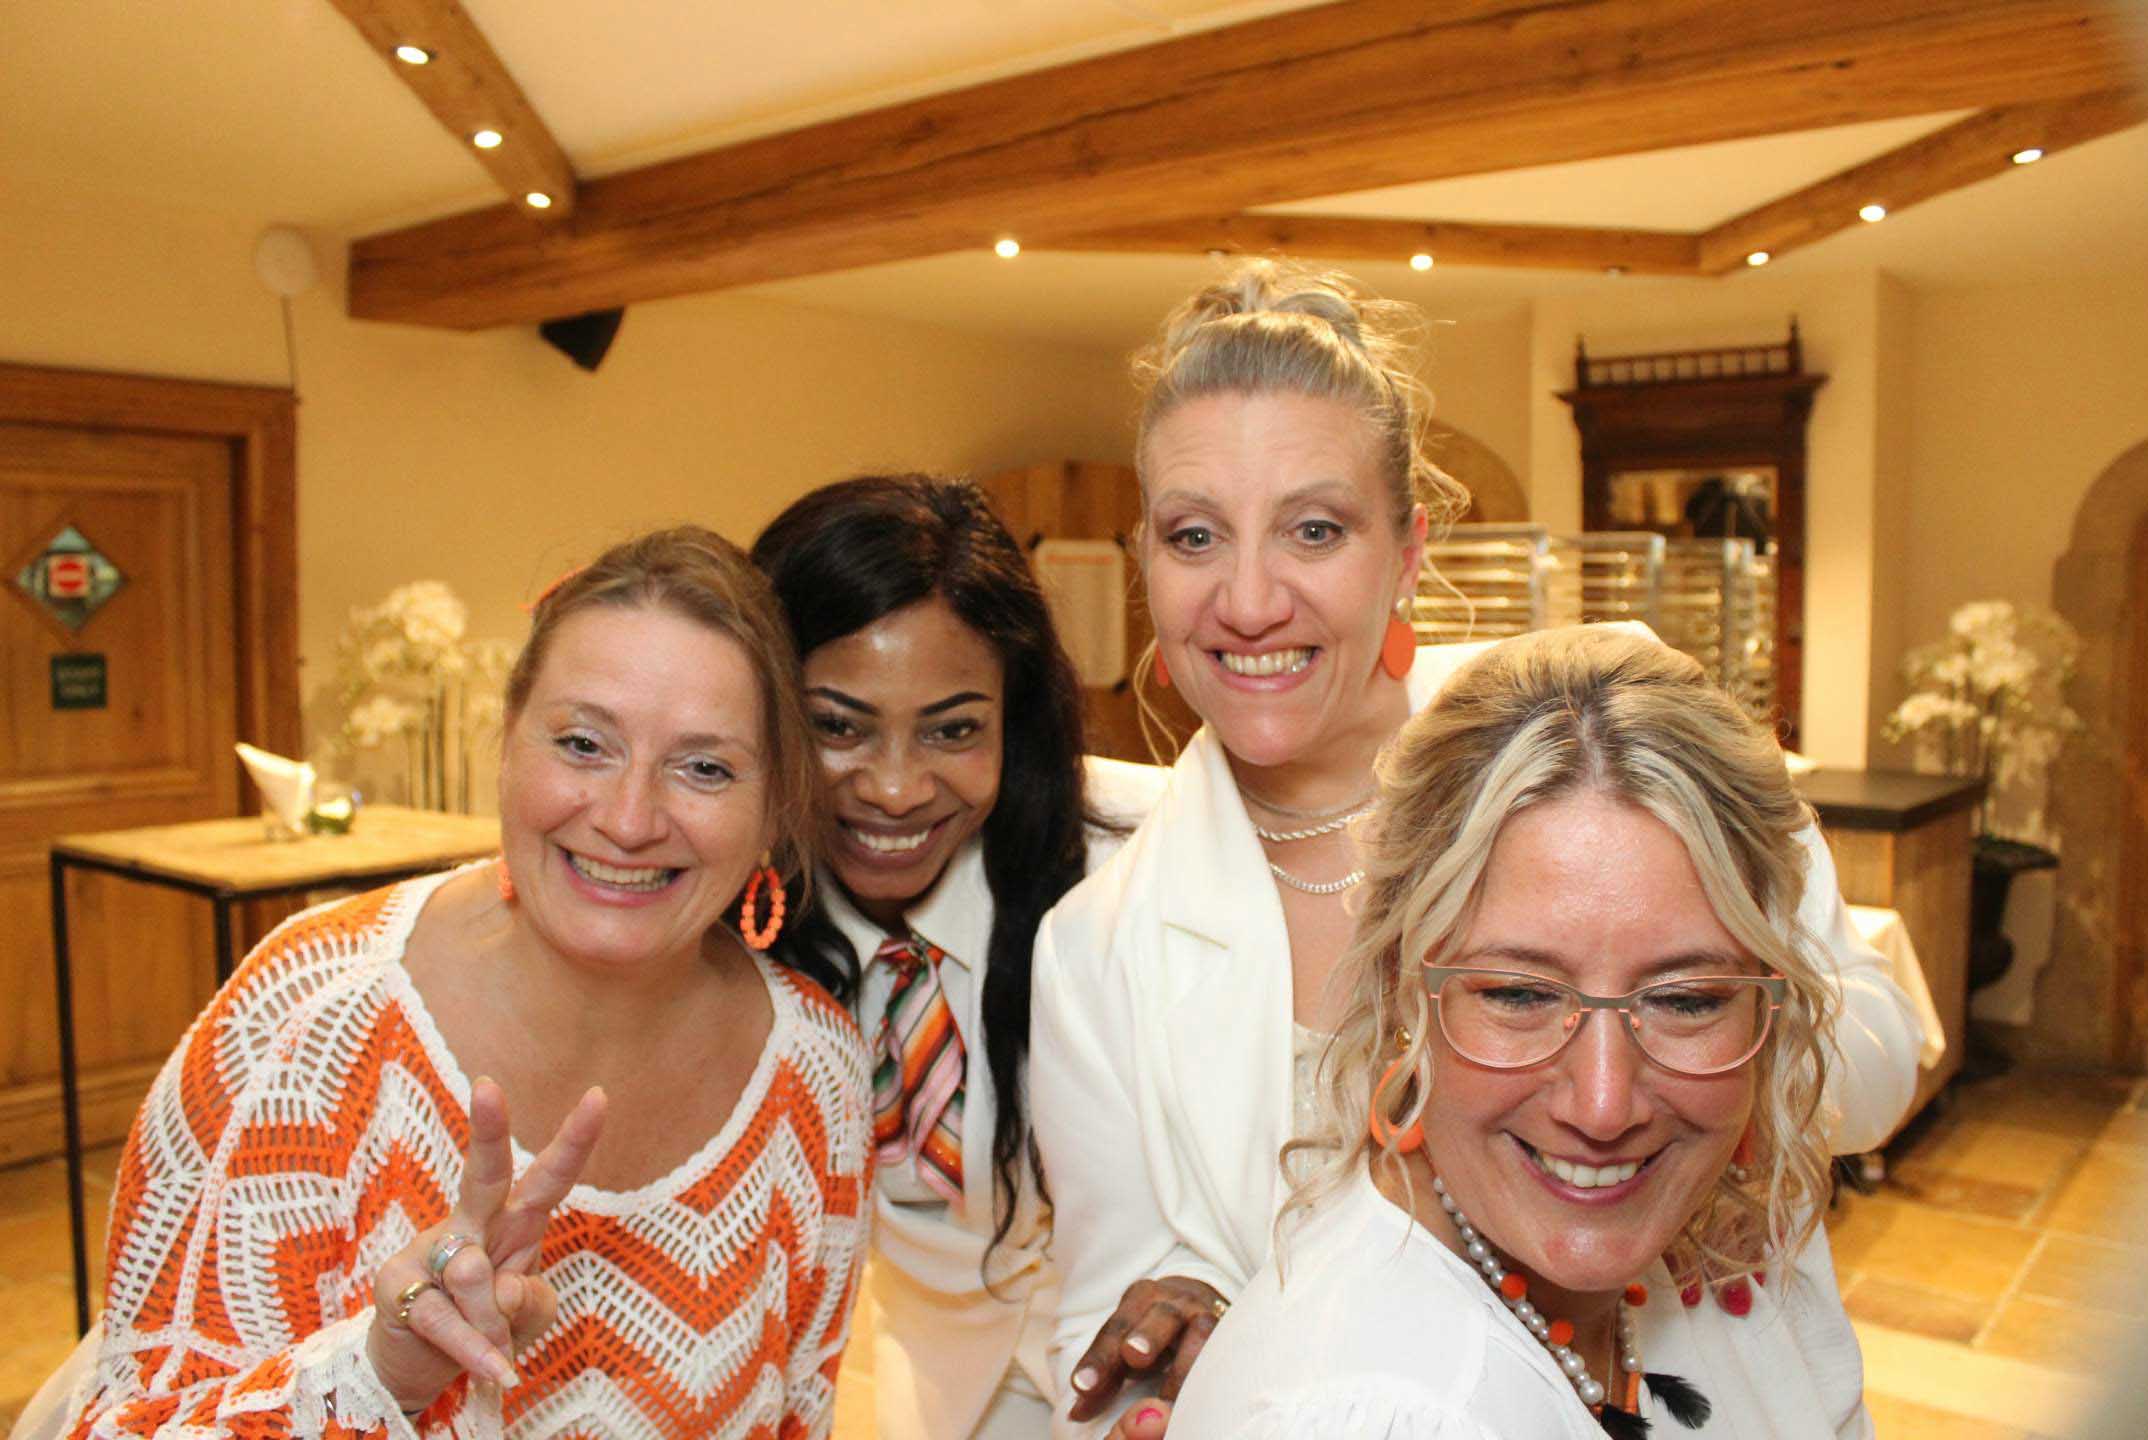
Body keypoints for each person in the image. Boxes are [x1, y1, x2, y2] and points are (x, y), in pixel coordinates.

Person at [1029, 260, 1921, 1439]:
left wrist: (1691, 1088)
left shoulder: (1611, 727)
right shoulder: (1097, 946)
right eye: (1195, 536)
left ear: (1408, 550)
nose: (1248, 601)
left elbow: (1876, 1053)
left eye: (1313, 529)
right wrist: (1188, 1328)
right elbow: (1099, 1331)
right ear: (1144, 557)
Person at [66, 528, 872, 1439]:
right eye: (583, 744)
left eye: (705, 768)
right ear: (507, 744)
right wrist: (383, 1375)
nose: (629, 818)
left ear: (774, 810)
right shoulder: (305, 1022)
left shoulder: (814, 1075)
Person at [1167, 625, 1864, 1438]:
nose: (1603, 1105)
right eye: (1519, 994)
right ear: (1401, 990)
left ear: (1769, 1009)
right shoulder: (1386, 1414)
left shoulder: (1741, 1269)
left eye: (1686, 1001)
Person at [752, 477, 1163, 1440]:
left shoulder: (1147, 868)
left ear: (1014, 719)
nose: (896, 790)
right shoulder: (731, 927)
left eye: (953, 729)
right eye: (837, 725)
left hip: (1165, 1385)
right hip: (937, 1397)